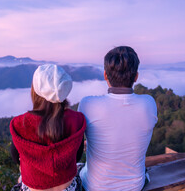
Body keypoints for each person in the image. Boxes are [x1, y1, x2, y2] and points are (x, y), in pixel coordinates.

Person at [78, 46, 158, 191]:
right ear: (136, 77)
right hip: (135, 186)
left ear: (105, 75)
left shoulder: (88, 104)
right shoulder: (149, 104)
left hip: (94, 187)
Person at [10, 64, 86, 191]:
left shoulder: (20, 124)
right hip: (69, 187)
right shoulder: (77, 120)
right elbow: (77, 156)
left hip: (33, 187)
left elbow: (15, 156)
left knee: (20, 179)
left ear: (35, 91)